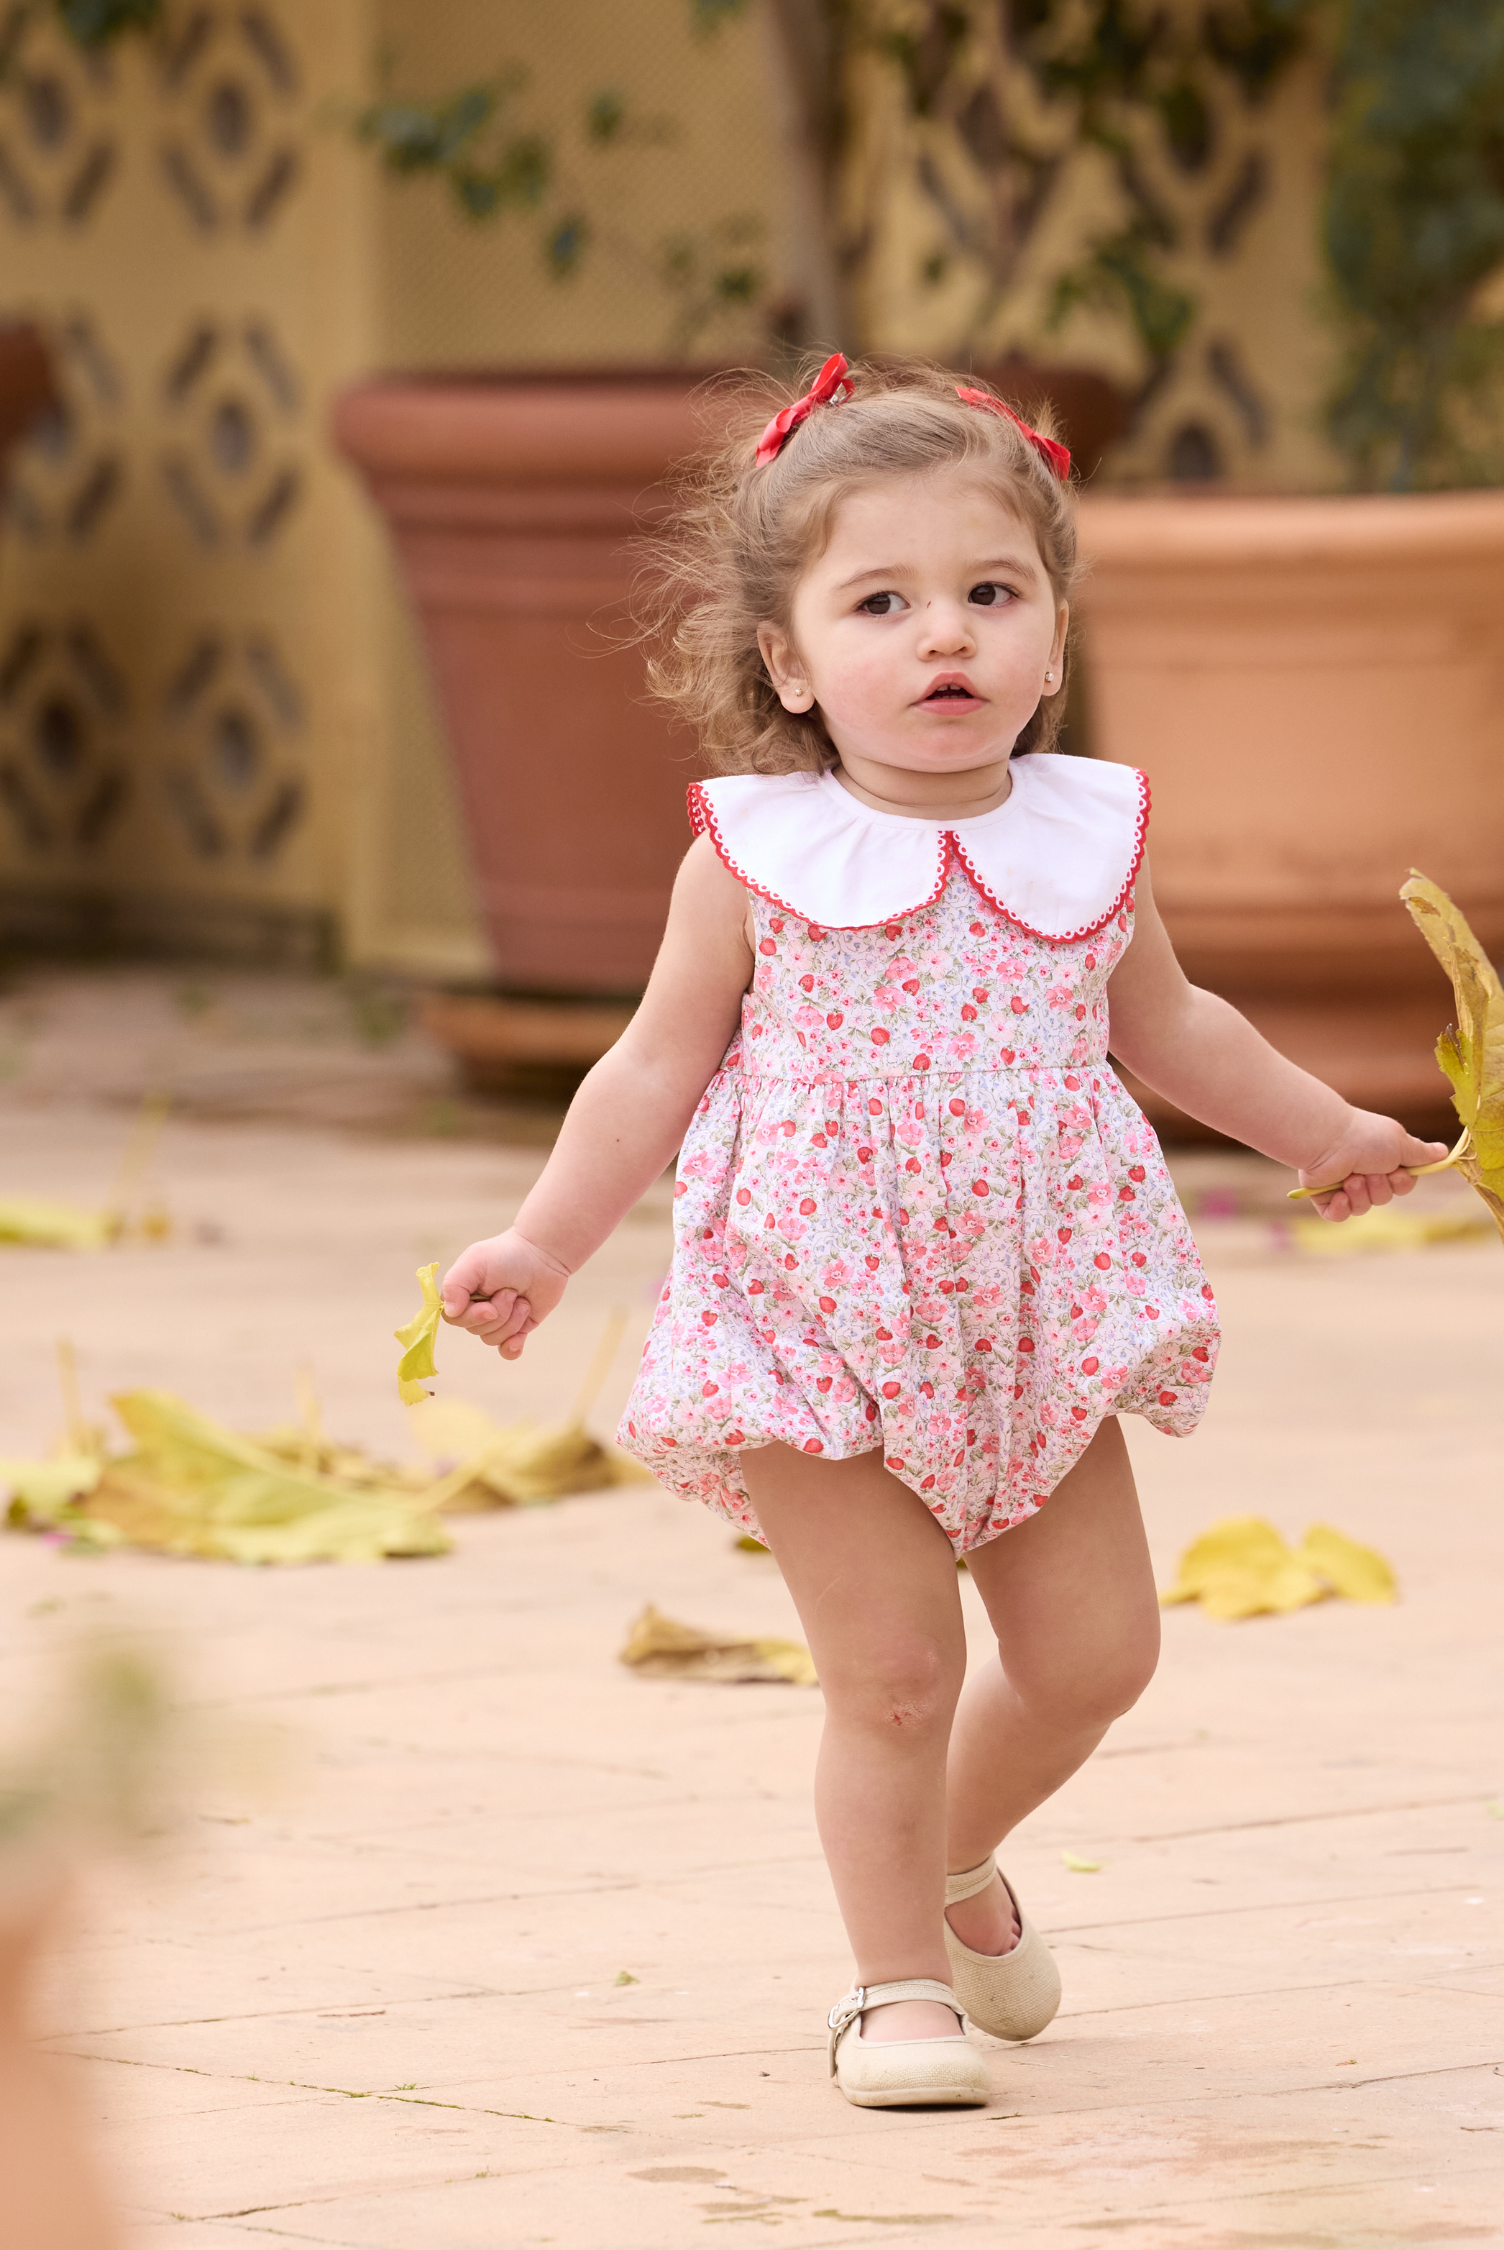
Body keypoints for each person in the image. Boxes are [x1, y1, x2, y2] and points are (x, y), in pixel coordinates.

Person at [438, 356, 1445, 2111]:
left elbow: (1179, 1029)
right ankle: (895, 1980)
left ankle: (958, 1862)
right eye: (881, 602)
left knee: (1094, 1659)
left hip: (1035, 1320)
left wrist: (1328, 1133)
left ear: (1054, 638)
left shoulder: (1089, 841)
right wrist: (544, 1240)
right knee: (897, 1675)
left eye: (992, 593)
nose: (944, 637)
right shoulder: (754, 857)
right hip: (812, 1321)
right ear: (789, 660)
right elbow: (647, 1069)